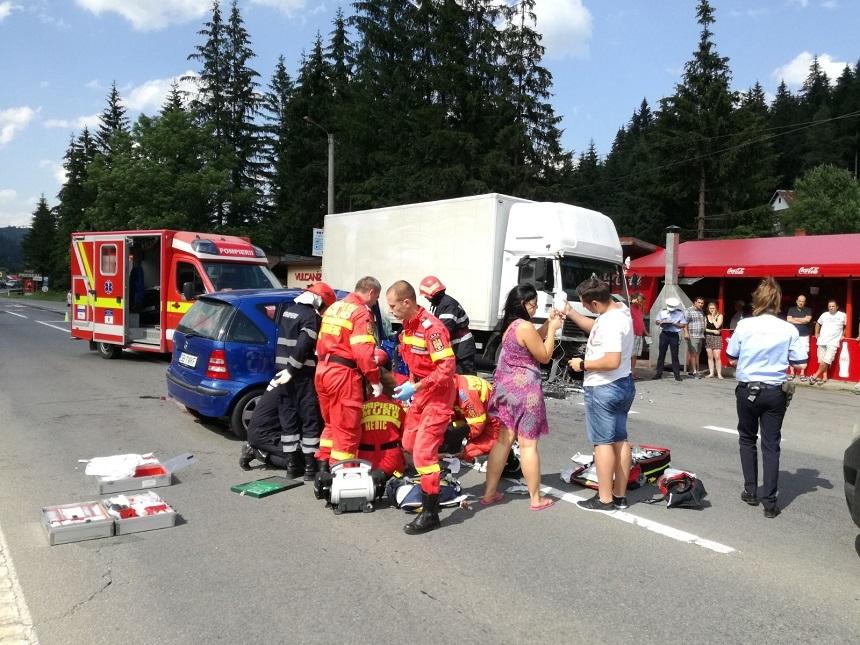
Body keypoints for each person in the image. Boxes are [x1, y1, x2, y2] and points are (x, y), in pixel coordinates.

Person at [726, 278, 807, 519]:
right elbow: (800, 362)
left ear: (757, 300)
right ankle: (770, 503)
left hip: (748, 388)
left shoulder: (744, 325)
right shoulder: (788, 329)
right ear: (778, 302)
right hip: (775, 391)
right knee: (771, 445)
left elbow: (731, 357)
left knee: (747, 439)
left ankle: (751, 491)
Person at [240, 282, 337, 477]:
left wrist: (287, 370)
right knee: (309, 419)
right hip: (300, 375)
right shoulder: (311, 317)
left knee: (288, 420)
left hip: (282, 373)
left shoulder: (288, 312)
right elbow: (303, 345)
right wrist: (293, 369)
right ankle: (309, 468)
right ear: (320, 301)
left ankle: (292, 468)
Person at [481, 284, 562, 512]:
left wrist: (547, 324)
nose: (535, 308)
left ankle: (489, 493)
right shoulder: (525, 326)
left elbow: (533, 340)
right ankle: (535, 498)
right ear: (522, 304)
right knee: (528, 445)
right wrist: (554, 329)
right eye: (532, 304)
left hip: (506, 390)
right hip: (526, 392)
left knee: (503, 441)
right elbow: (544, 356)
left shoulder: (511, 326)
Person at [387, 280, 457, 534]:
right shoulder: (407, 326)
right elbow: (416, 365)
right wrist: (410, 386)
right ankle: (436, 475)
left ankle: (430, 513)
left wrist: (414, 388)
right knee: (408, 444)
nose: (390, 310)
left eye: (393, 305)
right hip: (420, 395)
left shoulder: (432, 329)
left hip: (437, 398)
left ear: (407, 302)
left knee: (423, 455)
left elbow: (446, 370)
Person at [565, 277, 635, 511]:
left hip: (604, 386)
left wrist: (582, 364)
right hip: (623, 384)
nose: (584, 308)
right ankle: (620, 495)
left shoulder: (610, 323)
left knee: (602, 443)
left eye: (585, 305)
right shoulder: (621, 311)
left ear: (595, 303)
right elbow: (595, 327)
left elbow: (611, 360)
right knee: (620, 439)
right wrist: (571, 313)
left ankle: (604, 498)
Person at [314, 276, 384, 470]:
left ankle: (322, 469)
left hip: (322, 370)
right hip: (342, 375)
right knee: (347, 430)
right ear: (371, 292)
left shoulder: (334, 308)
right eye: (376, 297)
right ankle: (342, 480)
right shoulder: (360, 313)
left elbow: (320, 343)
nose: (375, 302)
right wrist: (374, 379)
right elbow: (362, 351)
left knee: (330, 425)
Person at [357, 355, 406, 476]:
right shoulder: (397, 408)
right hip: (392, 464)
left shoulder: (359, 409)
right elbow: (406, 439)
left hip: (365, 464)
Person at [419, 275, 477, 375]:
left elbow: (444, 329)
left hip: (462, 351)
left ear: (431, 294)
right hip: (459, 349)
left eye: (426, 296)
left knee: (466, 382)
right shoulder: (441, 304)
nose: (425, 298)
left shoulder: (447, 304)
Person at [810, 300, 846, 386]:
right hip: (822, 340)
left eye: (833, 306)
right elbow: (818, 324)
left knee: (827, 360)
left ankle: (815, 375)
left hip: (833, 342)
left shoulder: (842, 315)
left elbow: (845, 326)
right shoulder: (824, 315)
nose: (831, 308)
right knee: (822, 360)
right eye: (829, 306)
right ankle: (824, 377)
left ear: (837, 307)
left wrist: (843, 335)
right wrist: (816, 333)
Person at [652, 297, 687, 381]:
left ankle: (677, 374)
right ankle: (658, 373)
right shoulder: (662, 311)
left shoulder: (680, 313)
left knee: (675, 355)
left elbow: (683, 324)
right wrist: (661, 322)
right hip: (664, 333)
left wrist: (674, 324)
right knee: (661, 354)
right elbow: (657, 321)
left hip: (674, 334)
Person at [786, 294, 812, 382]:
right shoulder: (791, 309)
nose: (801, 302)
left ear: (805, 302)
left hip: (804, 335)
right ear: (797, 301)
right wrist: (802, 320)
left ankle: (802, 373)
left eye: (803, 301)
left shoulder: (808, 310)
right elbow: (789, 320)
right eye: (800, 301)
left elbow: (807, 320)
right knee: (792, 352)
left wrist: (795, 319)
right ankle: (792, 372)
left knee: (804, 352)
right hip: (793, 335)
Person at [684, 296, 706, 378]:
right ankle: (695, 371)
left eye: (702, 303)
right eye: (699, 302)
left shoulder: (701, 311)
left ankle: (691, 371)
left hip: (700, 335)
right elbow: (684, 323)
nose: (700, 304)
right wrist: (686, 333)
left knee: (697, 354)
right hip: (692, 335)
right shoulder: (688, 311)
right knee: (693, 354)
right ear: (695, 302)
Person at [704, 301, 724, 379]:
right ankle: (711, 373)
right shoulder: (706, 317)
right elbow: (704, 329)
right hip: (709, 337)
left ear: (716, 308)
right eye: (710, 308)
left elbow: (717, 326)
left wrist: (713, 318)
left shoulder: (720, 316)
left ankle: (719, 373)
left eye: (713, 308)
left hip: (717, 337)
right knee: (710, 356)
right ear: (708, 309)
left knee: (717, 356)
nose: (712, 310)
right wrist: (712, 331)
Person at [629, 293, 647, 378]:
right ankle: (628, 372)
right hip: (632, 333)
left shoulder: (640, 309)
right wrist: (631, 302)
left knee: (635, 354)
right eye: (640, 301)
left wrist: (646, 332)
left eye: (642, 302)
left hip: (639, 334)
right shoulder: (630, 308)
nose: (641, 303)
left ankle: (632, 371)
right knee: (630, 353)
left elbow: (641, 321)